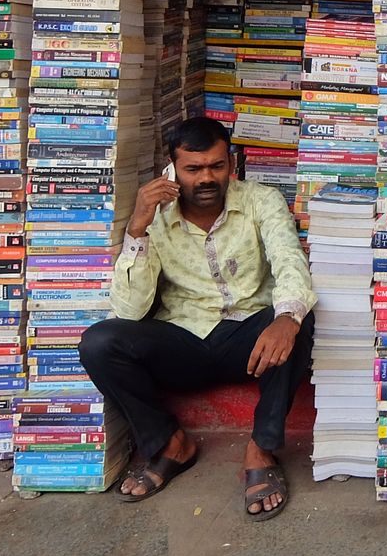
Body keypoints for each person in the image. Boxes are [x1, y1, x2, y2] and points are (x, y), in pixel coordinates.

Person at [80, 117, 317, 520]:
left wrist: (287, 318)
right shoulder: (154, 216)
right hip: (183, 339)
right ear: (171, 169)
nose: (206, 178)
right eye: (193, 169)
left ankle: (261, 448)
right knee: (100, 342)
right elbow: (129, 311)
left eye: (216, 166)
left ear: (231, 164)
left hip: (248, 339)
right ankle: (169, 444)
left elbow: (289, 261)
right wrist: (137, 227)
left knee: (299, 319)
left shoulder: (262, 199)